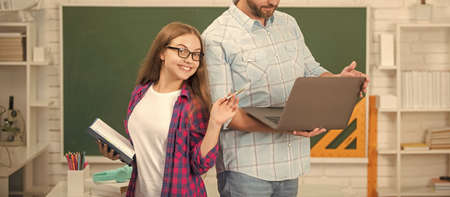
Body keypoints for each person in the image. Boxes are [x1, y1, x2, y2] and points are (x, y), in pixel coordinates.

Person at [202, 0, 369, 196]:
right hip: (246, 171)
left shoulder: (288, 24)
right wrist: (288, 123)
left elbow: (310, 69)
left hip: (290, 165)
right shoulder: (216, 37)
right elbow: (224, 116)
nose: (272, 1)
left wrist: (339, 81)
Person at [97, 22, 239, 197]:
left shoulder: (193, 105)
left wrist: (215, 123)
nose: (189, 59)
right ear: (162, 53)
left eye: (196, 55)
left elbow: (199, 165)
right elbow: (146, 150)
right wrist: (117, 153)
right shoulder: (140, 93)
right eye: (182, 50)